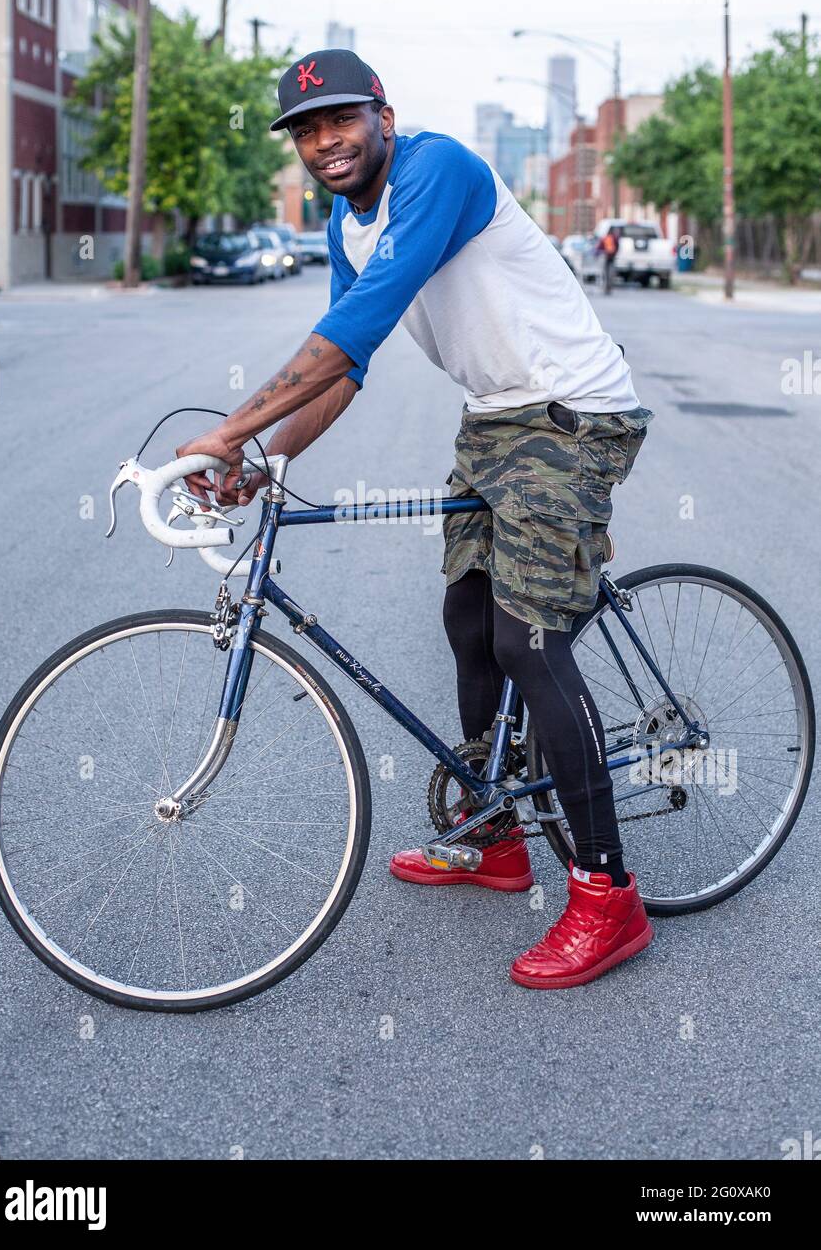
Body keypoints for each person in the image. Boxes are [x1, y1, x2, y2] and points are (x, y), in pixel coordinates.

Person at [176, 49, 656, 990]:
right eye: (307, 132)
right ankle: (496, 835)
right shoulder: (343, 225)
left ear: (383, 116)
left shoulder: (438, 169)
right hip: (495, 418)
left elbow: (355, 329)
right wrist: (266, 459)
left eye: (341, 121)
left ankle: (608, 898)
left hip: (574, 413)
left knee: (528, 641)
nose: (325, 143)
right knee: (467, 621)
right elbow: (346, 371)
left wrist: (224, 433)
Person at [598, 223, 621, 294]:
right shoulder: (614, 238)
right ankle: (609, 286)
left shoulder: (605, 238)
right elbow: (617, 247)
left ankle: (607, 286)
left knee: (606, 272)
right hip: (612, 257)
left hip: (606, 257)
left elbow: (600, 247)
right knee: (610, 272)